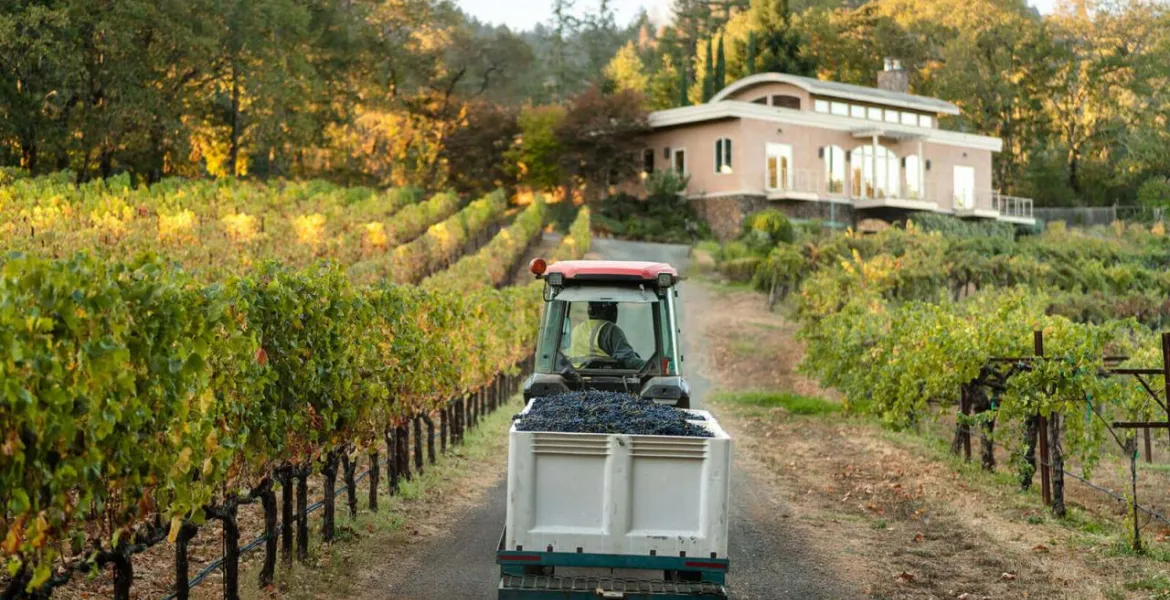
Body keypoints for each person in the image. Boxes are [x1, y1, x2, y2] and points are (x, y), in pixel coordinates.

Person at [567, 301, 644, 369]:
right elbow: (628, 360)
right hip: (602, 378)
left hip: (576, 377)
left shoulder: (577, 329)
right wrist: (648, 365)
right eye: (613, 308)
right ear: (608, 311)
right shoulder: (610, 330)